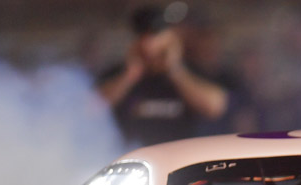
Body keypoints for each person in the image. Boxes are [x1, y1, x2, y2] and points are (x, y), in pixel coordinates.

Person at [97, 6, 229, 146]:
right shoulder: (120, 73)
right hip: (132, 155)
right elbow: (93, 109)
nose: (149, 43)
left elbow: (215, 107)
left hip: (180, 154)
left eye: (155, 34)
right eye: (143, 35)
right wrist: (130, 75)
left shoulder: (192, 71)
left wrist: (174, 70)